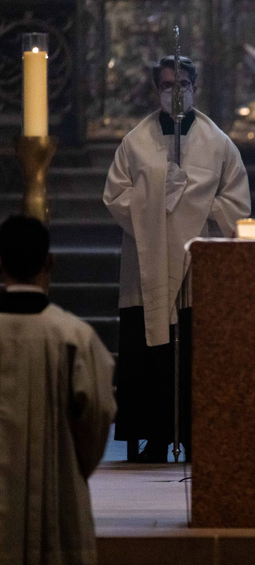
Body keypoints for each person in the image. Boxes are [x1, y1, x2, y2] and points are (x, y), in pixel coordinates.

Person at [104, 55, 251, 463]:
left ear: (196, 87)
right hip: (148, 260)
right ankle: (150, 436)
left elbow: (236, 203)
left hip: (196, 266)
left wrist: (196, 208)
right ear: (156, 90)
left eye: (183, 83)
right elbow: (115, 195)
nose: (176, 92)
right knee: (148, 353)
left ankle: (194, 431)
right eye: (168, 85)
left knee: (193, 351)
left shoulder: (218, 143)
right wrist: (156, 203)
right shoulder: (134, 142)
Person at [0, 215, 116, 564]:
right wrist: (71, 465)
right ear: (50, 262)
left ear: (0, 263)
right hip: (57, 499)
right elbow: (99, 414)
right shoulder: (75, 337)